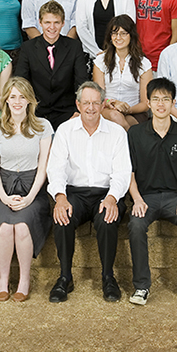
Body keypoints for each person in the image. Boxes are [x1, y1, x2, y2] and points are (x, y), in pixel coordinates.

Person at [46, 81, 131, 302]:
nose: (91, 108)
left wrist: (112, 198)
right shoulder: (65, 130)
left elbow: (122, 172)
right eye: (86, 103)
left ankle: (108, 277)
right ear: (78, 104)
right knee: (62, 216)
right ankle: (65, 277)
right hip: (75, 193)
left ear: (103, 105)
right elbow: (55, 168)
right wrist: (60, 197)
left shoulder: (117, 133)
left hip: (106, 193)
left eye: (95, 103)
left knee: (107, 218)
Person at [126, 77, 177, 306]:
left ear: (173, 103)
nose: (161, 104)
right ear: (148, 103)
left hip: (175, 198)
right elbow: (129, 172)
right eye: (156, 99)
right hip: (145, 197)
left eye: (166, 99)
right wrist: (136, 199)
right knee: (136, 225)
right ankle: (141, 286)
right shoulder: (135, 134)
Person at [0, 78, 53, 302]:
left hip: (33, 188)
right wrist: (4, 197)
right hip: (2, 189)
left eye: (22, 97)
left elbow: (43, 168)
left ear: (29, 100)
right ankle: (3, 281)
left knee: (22, 227)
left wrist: (30, 197)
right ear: (5, 100)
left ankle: (24, 280)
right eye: (12, 96)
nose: (17, 101)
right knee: (5, 228)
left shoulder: (43, 126)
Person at [15, 0, 89, 130]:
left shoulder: (74, 47)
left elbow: (81, 82)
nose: (52, 27)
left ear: (63, 23)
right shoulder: (28, 48)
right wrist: (26, 113)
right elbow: (21, 82)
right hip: (36, 112)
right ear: (40, 23)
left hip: (67, 112)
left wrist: (77, 111)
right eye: (47, 22)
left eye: (56, 22)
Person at [92, 15, 152, 130]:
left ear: (131, 36)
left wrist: (127, 109)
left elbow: (145, 103)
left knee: (119, 120)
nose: (118, 37)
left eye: (123, 33)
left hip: (134, 112)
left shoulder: (144, 63)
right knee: (116, 116)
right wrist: (111, 103)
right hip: (107, 109)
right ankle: (133, 139)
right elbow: (99, 96)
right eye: (114, 33)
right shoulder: (101, 61)